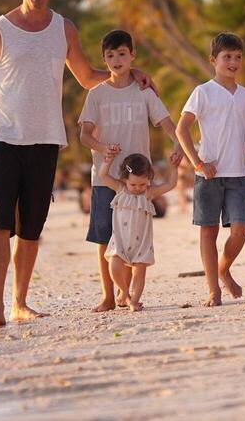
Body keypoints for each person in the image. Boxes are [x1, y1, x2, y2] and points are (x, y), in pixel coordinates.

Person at [0, 0, 152, 328]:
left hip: (46, 138)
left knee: (31, 225)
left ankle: (19, 302)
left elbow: (85, 76)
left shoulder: (64, 29)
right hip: (3, 136)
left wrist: (129, 73)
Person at [77, 29, 183, 313]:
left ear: (132, 56)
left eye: (122, 54)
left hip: (137, 181)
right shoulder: (96, 94)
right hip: (106, 177)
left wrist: (178, 144)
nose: (116, 60)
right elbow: (85, 135)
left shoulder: (143, 91)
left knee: (134, 238)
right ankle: (109, 295)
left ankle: (129, 294)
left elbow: (167, 122)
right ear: (104, 59)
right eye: (110, 55)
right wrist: (102, 147)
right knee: (104, 237)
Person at [177, 32, 245, 307]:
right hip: (208, 175)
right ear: (214, 60)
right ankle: (213, 289)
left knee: (241, 229)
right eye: (227, 57)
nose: (233, 62)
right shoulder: (203, 92)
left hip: (238, 174)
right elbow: (182, 129)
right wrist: (197, 163)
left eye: (238, 57)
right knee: (208, 232)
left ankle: (223, 268)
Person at [95, 150, 175, 311]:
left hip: (141, 243)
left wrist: (174, 167)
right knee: (113, 264)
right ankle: (124, 291)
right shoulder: (120, 188)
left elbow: (171, 184)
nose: (138, 188)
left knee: (139, 272)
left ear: (149, 180)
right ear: (125, 179)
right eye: (133, 184)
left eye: (142, 184)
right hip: (120, 241)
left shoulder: (149, 193)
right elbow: (102, 175)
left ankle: (135, 300)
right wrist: (108, 160)